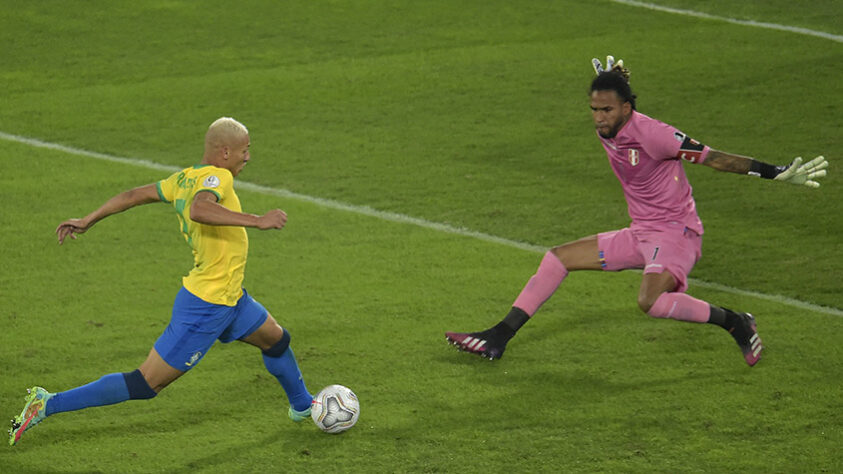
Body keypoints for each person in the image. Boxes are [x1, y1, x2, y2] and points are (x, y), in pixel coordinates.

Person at [445, 57, 828, 366]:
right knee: (557, 258)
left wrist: (775, 173)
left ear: (627, 108)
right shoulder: (610, 125)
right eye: (594, 110)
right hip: (641, 232)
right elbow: (612, 97)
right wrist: (609, 77)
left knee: (649, 301)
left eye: (607, 110)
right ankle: (499, 337)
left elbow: (716, 159)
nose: (599, 118)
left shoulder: (656, 135)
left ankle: (735, 322)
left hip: (676, 234)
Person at [10, 117, 314, 446]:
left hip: (231, 298)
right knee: (145, 384)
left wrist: (88, 219)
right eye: (245, 150)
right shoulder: (218, 177)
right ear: (225, 152)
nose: (248, 157)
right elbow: (200, 209)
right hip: (207, 306)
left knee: (276, 341)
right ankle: (47, 403)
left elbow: (132, 195)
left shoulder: (182, 179)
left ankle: (303, 406)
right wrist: (258, 220)